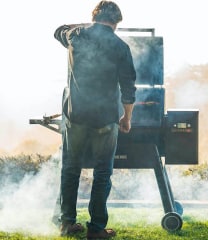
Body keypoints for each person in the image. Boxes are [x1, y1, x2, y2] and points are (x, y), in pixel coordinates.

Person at [54, 1, 136, 238]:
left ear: (94, 17)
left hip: (76, 116)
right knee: (102, 173)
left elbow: (58, 30)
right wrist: (126, 118)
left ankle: (67, 223)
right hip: (105, 119)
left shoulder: (75, 35)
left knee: (70, 170)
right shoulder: (120, 47)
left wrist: (86, 26)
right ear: (116, 23)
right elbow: (128, 87)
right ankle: (97, 229)